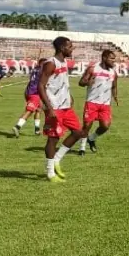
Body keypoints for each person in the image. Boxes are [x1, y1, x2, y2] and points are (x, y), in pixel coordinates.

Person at [39, 37, 86, 182]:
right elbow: (41, 86)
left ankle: (57, 159)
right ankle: (50, 173)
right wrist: (49, 108)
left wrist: (69, 96)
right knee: (53, 139)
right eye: (70, 46)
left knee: (78, 132)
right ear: (61, 48)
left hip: (65, 106)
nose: (72, 49)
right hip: (55, 107)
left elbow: (61, 83)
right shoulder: (51, 63)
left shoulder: (64, 62)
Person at [76, 49, 119, 155]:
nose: (113, 61)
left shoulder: (113, 72)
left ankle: (91, 138)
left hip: (105, 104)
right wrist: (87, 82)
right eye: (111, 58)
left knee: (105, 126)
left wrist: (115, 96)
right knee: (87, 126)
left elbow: (114, 86)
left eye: (114, 59)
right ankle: (82, 148)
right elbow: (81, 82)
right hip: (92, 102)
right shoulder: (93, 69)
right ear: (104, 58)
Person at [13, 59, 44, 137]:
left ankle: (37, 130)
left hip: (28, 91)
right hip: (34, 93)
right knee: (29, 111)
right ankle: (17, 126)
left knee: (38, 109)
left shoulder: (35, 69)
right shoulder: (42, 71)